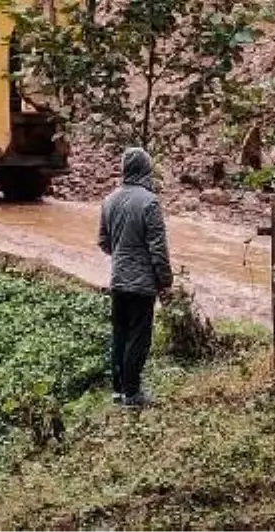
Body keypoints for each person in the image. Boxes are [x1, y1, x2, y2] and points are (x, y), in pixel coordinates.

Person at [99, 147, 173, 408]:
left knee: (119, 333)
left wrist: (121, 254)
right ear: (146, 170)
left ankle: (119, 390)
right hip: (142, 284)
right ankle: (132, 393)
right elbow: (157, 248)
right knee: (138, 337)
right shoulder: (150, 202)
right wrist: (165, 281)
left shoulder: (109, 201)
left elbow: (103, 242)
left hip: (118, 280)